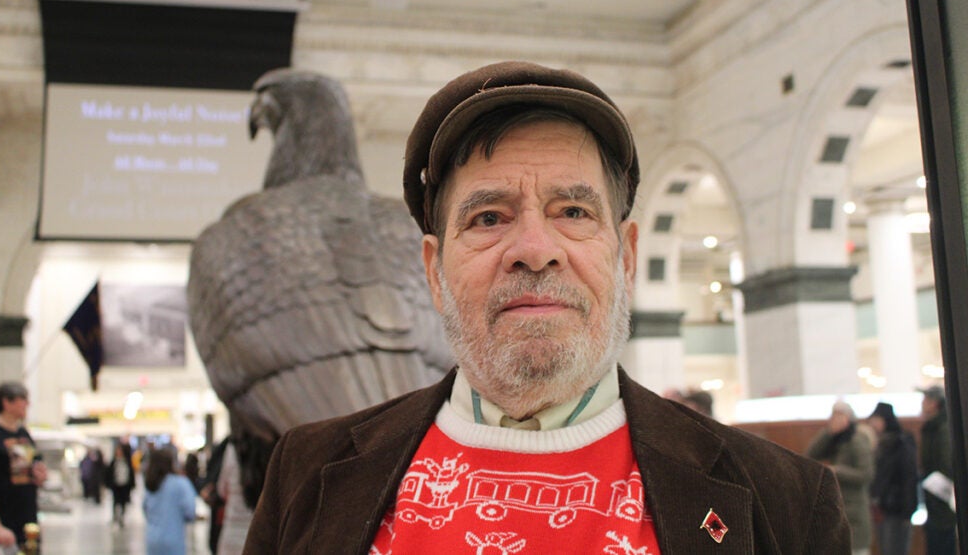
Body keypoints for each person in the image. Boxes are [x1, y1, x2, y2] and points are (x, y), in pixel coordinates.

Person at [243, 61, 851, 552]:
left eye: (574, 212)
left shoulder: (785, 503)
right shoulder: (309, 474)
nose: (535, 251)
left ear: (627, 257)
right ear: (433, 270)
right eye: (488, 217)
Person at [0, 381, 48, 555]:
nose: (27, 404)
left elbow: (34, 470)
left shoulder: (24, 435)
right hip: (2, 521)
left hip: (27, 522)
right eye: (23, 399)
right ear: (7, 402)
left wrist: (40, 475)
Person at [806, 400, 875, 555]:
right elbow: (811, 454)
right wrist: (828, 432)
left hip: (855, 509)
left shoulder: (857, 439)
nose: (835, 420)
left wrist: (837, 471)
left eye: (839, 416)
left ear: (848, 418)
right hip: (839, 506)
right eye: (833, 416)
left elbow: (866, 474)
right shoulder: (835, 440)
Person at [866, 401, 918, 555]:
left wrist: (908, 511)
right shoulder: (878, 444)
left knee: (894, 549)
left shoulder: (900, 443)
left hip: (897, 507)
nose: (873, 425)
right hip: (882, 507)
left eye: (876, 420)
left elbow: (909, 477)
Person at [215, 429, 275, 555]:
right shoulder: (273, 452)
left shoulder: (232, 451)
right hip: (259, 538)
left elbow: (222, 490)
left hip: (231, 533)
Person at [919, 385, 958, 555]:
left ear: (935, 403)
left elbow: (946, 464)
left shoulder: (942, 428)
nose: (922, 403)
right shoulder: (932, 426)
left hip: (942, 501)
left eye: (926, 399)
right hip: (934, 500)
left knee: (942, 544)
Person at [143, 446, 197, 555]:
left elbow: (145, 508)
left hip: (152, 541)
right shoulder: (181, 483)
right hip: (173, 541)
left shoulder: (151, 485)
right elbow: (190, 511)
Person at [105, 441, 136, 527]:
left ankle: (122, 517)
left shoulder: (127, 462)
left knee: (123, 502)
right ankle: (115, 517)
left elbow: (131, 474)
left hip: (125, 485)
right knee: (115, 501)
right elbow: (109, 473)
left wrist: (132, 484)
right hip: (116, 485)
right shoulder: (114, 462)